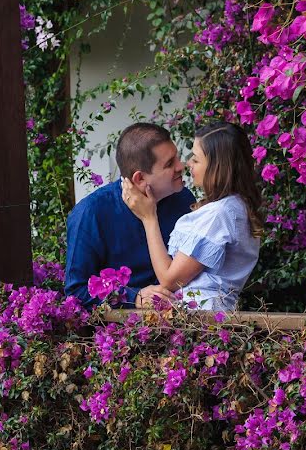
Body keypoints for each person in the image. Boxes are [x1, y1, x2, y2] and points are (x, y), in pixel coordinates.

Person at [121, 121, 262, 312]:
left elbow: (170, 280)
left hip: (202, 317)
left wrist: (149, 218)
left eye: (195, 159)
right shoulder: (234, 206)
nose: (187, 164)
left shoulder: (219, 214)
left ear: (216, 167)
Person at [65, 123, 195, 308]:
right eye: (169, 164)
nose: (180, 166)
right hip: (121, 331)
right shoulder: (91, 213)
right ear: (140, 178)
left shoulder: (183, 200)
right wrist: (132, 298)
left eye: (177, 158)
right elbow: (76, 293)